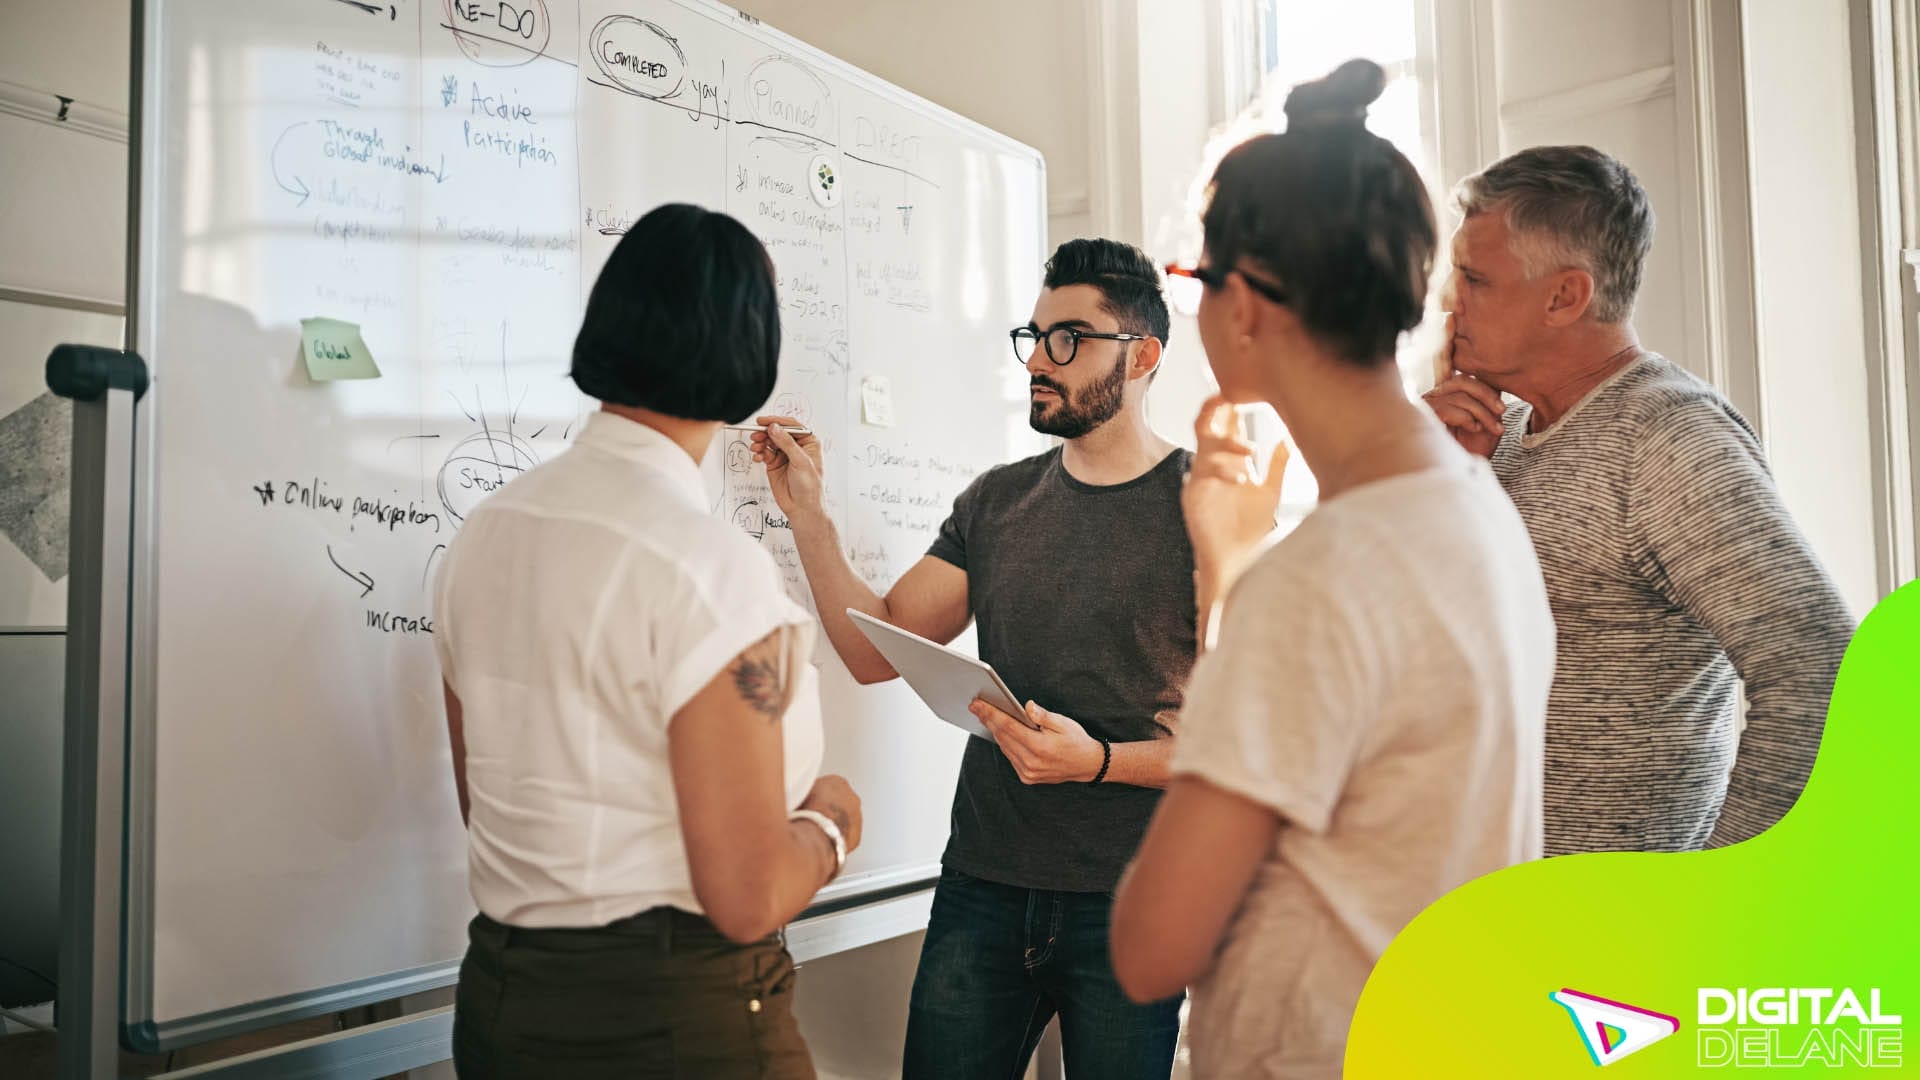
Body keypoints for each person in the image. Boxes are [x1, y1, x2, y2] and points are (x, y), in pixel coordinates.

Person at [1108, 60, 1555, 1078]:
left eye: (1196, 281)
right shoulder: (1477, 511)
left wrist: (1225, 577)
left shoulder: (1320, 579)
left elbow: (1151, 948)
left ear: (1253, 305)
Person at [433, 203, 861, 1079]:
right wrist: (832, 821)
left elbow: (487, 806)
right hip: (678, 1023)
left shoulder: (483, 534)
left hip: (502, 1009)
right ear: (750, 353)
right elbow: (746, 899)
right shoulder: (715, 570)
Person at [748, 238, 1191, 1078]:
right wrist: (808, 514)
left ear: (1143, 357)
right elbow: (876, 646)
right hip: (983, 888)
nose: (1040, 361)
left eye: (1069, 338)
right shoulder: (996, 502)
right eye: (1035, 337)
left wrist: (1095, 762)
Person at [1422, 144, 1856, 854]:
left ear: (1565, 296)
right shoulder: (1491, 435)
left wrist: (1709, 899)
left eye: (1474, 279)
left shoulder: (1668, 436)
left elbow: (1823, 675)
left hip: (1610, 945)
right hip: (1484, 922)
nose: (1448, 301)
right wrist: (1442, 485)